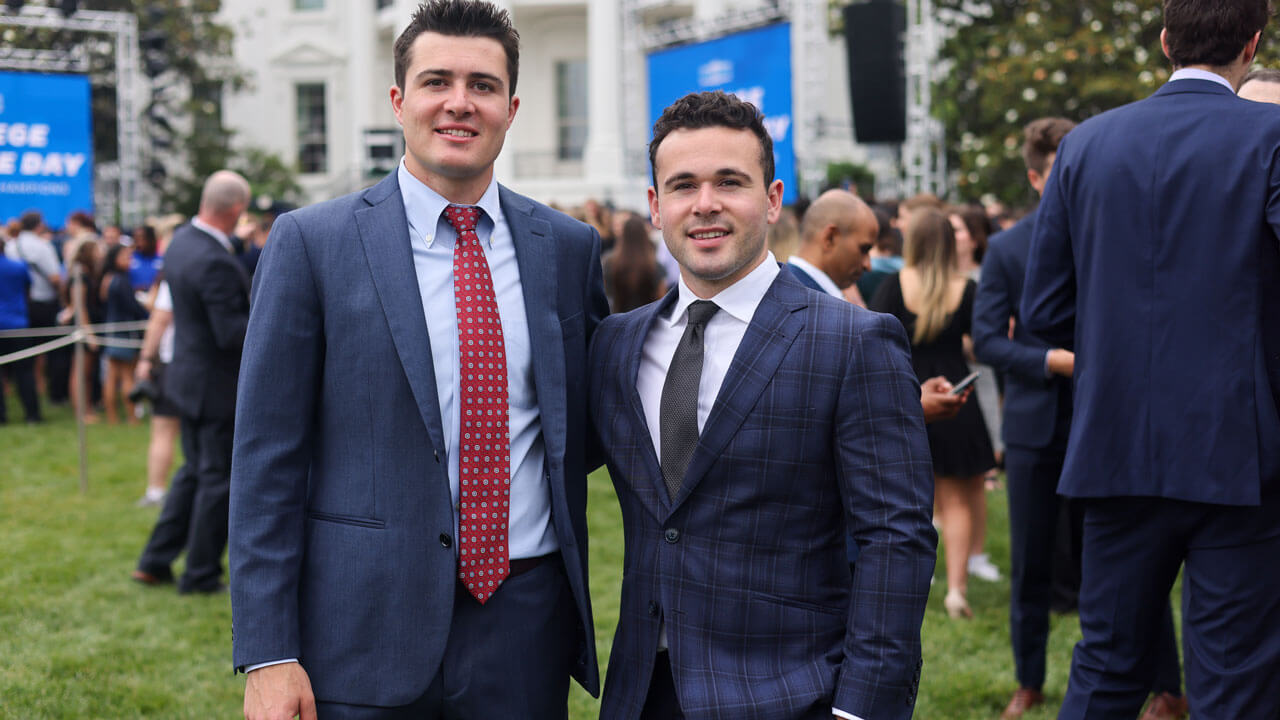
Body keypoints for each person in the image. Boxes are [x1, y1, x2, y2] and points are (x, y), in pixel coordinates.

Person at [229, 2, 608, 718]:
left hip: (524, 624)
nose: (459, 102)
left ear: (511, 106)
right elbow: (265, 461)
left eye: (483, 85)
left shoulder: (568, 248)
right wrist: (269, 652)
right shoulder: (313, 243)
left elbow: (582, 428)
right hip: (361, 630)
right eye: (437, 81)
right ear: (400, 101)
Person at [590, 90, 936, 720]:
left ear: (773, 199)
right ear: (655, 205)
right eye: (683, 184)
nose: (706, 204)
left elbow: (896, 540)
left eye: (731, 181)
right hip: (643, 692)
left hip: (794, 692)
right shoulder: (616, 345)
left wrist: (862, 709)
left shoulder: (855, 341)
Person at [1022, 1, 1280, 716]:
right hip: (1242, 456)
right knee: (1234, 679)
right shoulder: (1272, 134)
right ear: (1253, 44)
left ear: (1166, 41)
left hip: (1116, 447)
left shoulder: (1084, 145)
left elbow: (1042, 312)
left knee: (1106, 665)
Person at [973, 116, 1080, 719]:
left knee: (1125, 562)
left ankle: (1164, 687)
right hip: (1035, 425)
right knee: (1029, 567)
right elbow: (987, 341)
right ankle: (1029, 681)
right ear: (1036, 177)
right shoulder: (1009, 249)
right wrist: (1053, 361)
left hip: (1103, 422)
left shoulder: (1109, 237)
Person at [870, 207, 995, 620]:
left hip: (905, 396)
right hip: (956, 398)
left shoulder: (892, 285)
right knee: (959, 500)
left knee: (907, 500)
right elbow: (980, 346)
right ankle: (956, 589)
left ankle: (911, 586)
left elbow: (873, 339)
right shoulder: (967, 289)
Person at [131, 169, 251, 594]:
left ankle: (154, 561)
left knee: (193, 474)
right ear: (237, 209)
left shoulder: (182, 241)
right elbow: (230, 332)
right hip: (214, 386)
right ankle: (199, 574)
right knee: (215, 480)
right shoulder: (215, 259)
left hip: (187, 378)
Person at [99, 244, 148, 425]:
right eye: (125, 257)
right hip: (123, 331)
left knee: (111, 376)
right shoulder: (121, 280)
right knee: (127, 375)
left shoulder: (108, 278)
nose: (130, 260)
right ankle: (131, 417)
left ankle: (112, 417)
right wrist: (146, 311)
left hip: (111, 328)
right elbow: (132, 306)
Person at [0, 235, 42, 424]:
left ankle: (2, 417)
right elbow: (28, 289)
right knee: (25, 372)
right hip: (18, 324)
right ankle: (32, 415)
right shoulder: (19, 266)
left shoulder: (18, 266)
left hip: (11, 324)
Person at [604, 215, 667, 313]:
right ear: (644, 235)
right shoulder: (654, 265)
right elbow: (662, 299)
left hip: (617, 318)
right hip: (647, 319)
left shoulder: (609, 262)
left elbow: (605, 294)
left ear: (623, 234)